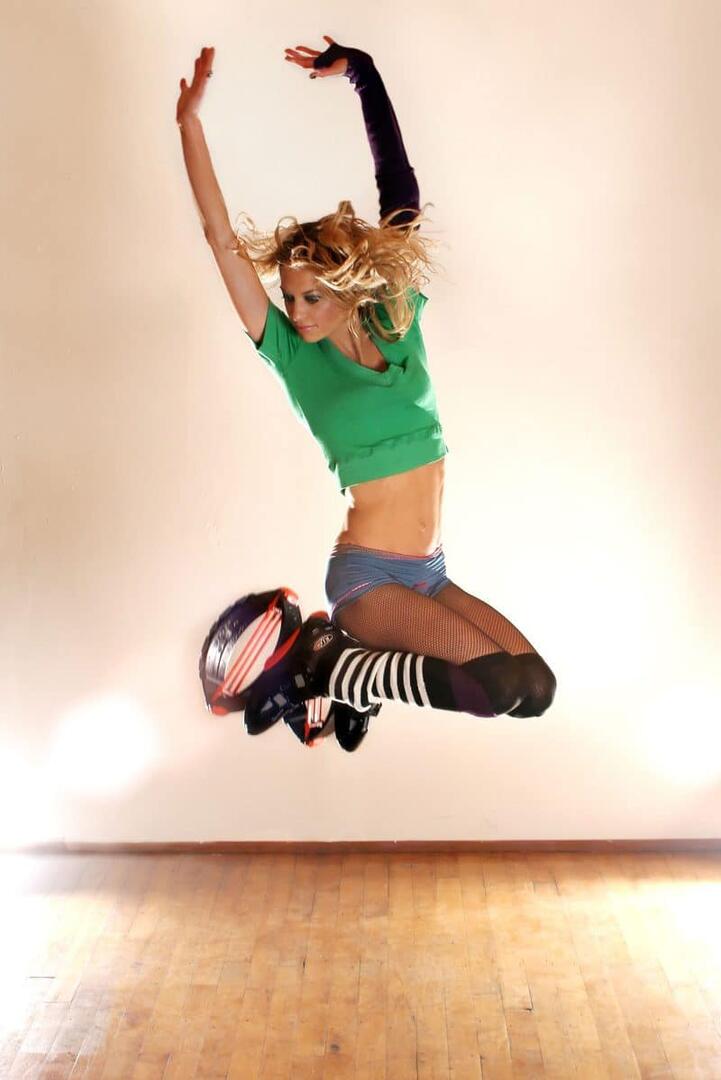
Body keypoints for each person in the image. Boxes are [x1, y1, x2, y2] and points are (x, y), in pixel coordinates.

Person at [177, 36, 557, 730]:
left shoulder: (395, 319)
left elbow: (398, 188)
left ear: (349, 288)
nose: (296, 313)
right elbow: (221, 239)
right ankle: (324, 665)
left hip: (429, 572)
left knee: (533, 689)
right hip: (366, 577)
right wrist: (189, 122)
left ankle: (344, 673)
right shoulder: (293, 357)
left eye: (311, 297)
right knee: (492, 686)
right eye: (288, 298)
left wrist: (363, 72)